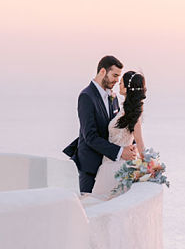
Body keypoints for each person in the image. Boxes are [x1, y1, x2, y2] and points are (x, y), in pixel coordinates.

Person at [63, 55, 138, 194]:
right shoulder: (86, 96)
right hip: (91, 165)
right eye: (114, 75)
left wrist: (131, 146)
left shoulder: (113, 98)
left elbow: (116, 129)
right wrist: (121, 152)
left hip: (110, 165)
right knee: (90, 207)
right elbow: (90, 136)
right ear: (103, 71)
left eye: (118, 76)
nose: (117, 80)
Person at [90, 70, 147, 199]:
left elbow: (140, 142)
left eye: (121, 82)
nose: (118, 84)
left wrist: (150, 168)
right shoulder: (125, 110)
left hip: (118, 167)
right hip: (109, 163)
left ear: (126, 88)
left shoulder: (135, 115)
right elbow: (129, 135)